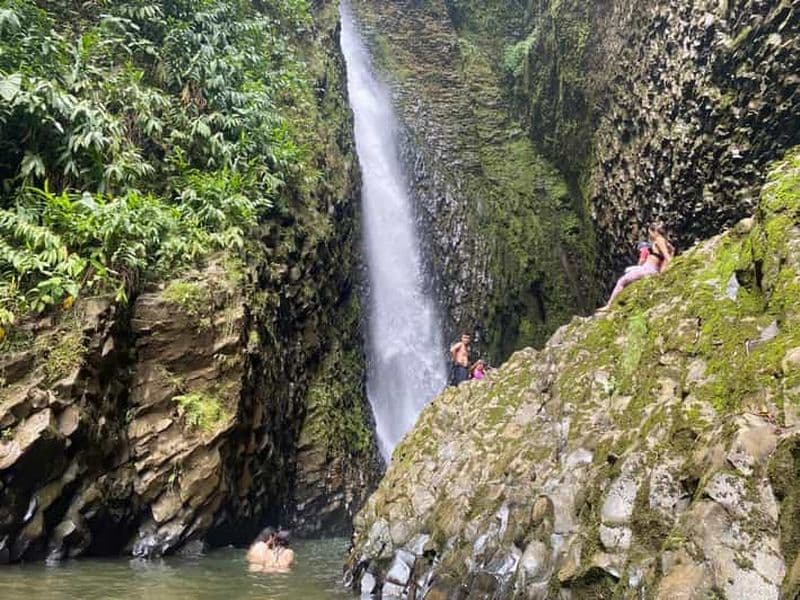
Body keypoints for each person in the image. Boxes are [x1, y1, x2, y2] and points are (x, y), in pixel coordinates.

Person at [605, 223, 674, 307]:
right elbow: (669, 255)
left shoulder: (659, 239)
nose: (649, 236)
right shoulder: (666, 243)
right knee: (628, 274)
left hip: (648, 269)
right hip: (650, 269)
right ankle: (617, 304)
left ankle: (609, 306)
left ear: (654, 232)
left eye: (650, 233)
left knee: (621, 281)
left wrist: (671, 269)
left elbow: (667, 257)